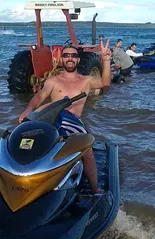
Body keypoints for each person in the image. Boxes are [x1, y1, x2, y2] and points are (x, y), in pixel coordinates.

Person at [19, 40, 112, 194]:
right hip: (53, 120)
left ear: (78, 59)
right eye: (66, 55)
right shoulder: (53, 80)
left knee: (87, 152)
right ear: (61, 59)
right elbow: (40, 96)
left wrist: (107, 61)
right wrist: (27, 110)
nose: (70, 58)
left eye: (73, 55)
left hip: (74, 121)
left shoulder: (86, 81)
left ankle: (95, 188)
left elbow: (105, 82)